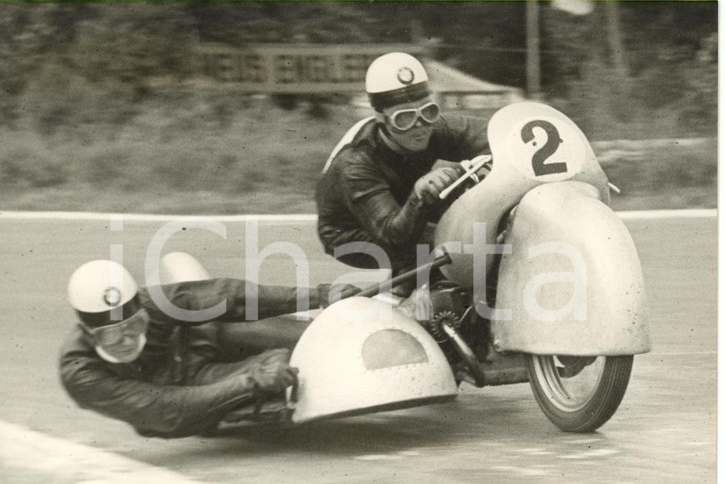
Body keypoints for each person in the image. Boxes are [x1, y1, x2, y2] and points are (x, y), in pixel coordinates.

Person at [59, 258, 353, 438]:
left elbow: (225, 296)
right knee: (287, 372)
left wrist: (320, 295)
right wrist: (250, 381)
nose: (127, 340)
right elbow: (164, 410)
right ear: (88, 333)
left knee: (318, 337)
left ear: (142, 312)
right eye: (111, 336)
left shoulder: (149, 304)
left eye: (135, 326)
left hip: (196, 343)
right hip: (178, 395)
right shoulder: (80, 373)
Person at [316, 52, 491, 275]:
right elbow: (392, 237)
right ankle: (413, 295)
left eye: (428, 111)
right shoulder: (355, 162)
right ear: (381, 118)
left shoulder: (434, 126)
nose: (419, 126)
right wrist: (418, 197)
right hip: (352, 231)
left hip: (401, 205)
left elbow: (499, 134)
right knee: (452, 244)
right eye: (404, 118)